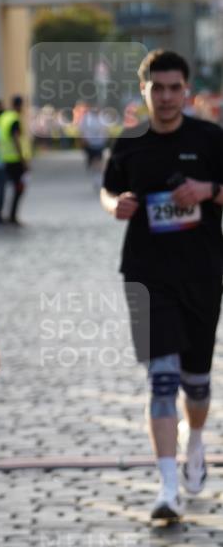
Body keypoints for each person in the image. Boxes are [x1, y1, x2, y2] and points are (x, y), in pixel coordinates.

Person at [100, 49, 223, 521]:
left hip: (202, 274)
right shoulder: (130, 141)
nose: (167, 96)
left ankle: (195, 440)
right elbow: (109, 189)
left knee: (196, 383)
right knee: (162, 378)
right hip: (146, 275)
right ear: (145, 90)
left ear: (186, 90)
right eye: (158, 88)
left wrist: (209, 190)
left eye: (175, 88)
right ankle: (167, 488)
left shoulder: (210, 138)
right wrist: (115, 205)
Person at [0, 94, 29, 226]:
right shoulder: (15, 119)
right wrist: (23, 159)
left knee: (4, 189)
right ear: (19, 105)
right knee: (19, 188)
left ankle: (2, 215)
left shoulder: (4, 117)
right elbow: (16, 139)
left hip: (4, 158)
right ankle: (12, 216)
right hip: (15, 160)